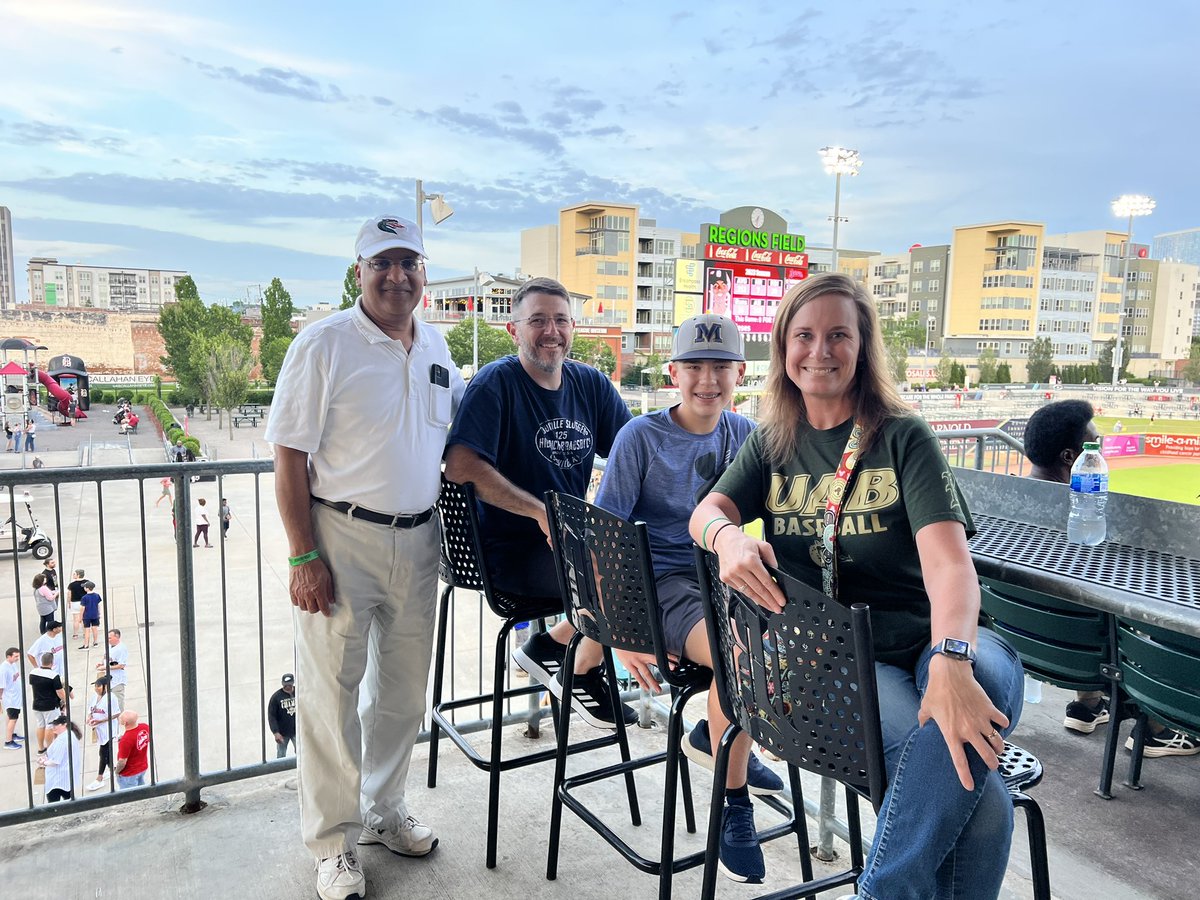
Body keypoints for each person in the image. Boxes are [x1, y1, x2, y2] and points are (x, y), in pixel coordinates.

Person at [689, 273, 1025, 900]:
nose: (820, 350)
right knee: (983, 808)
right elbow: (706, 512)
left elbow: (950, 566)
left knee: (981, 688)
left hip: (949, 638)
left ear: (863, 346)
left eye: (838, 335)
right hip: (848, 663)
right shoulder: (772, 441)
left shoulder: (902, 436)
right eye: (804, 335)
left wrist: (951, 661)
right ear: (783, 348)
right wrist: (727, 539)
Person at [266, 214, 464, 900]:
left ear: (424, 272)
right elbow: (288, 456)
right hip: (341, 537)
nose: (396, 275)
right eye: (382, 262)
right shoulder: (322, 345)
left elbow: (459, 434)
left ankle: (384, 811)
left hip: (420, 539)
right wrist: (303, 556)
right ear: (359, 272)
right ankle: (333, 845)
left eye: (409, 262)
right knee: (330, 698)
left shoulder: (436, 345)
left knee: (403, 694)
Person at [594, 314, 782, 883]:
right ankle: (733, 801)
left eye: (720, 367)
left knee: (791, 637)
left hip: (719, 576)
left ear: (740, 374)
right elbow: (602, 538)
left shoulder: (745, 434)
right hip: (660, 583)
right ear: (673, 373)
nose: (708, 380)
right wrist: (620, 629)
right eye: (694, 367)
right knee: (739, 653)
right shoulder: (640, 437)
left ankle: (721, 739)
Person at [444, 275, 635, 729]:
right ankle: (574, 664)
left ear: (573, 328)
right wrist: (539, 512)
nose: (552, 331)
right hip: (508, 553)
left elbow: (633, 451)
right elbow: (460, 465)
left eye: (561, 320)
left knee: (654, 558)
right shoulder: (496, 383)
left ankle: (556, 644)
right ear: (514, 330)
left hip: (568, 547)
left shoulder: (589, 384)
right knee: (629, 577)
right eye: (538, 321)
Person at [1024, 401, 1198, 758]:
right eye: (1095, 446)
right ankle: (1156, 729)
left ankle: (1087, 705)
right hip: (1099, 666)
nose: (1101, 454)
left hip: (1034, 653)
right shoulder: (1095, 530)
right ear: (1071, 457)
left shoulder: (1000, 516)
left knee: (1081, 611)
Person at [37, 715, 83, 803]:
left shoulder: (62, 740)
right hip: (67, 777)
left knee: (53, 805)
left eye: (56, 725)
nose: (53, 727)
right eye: (53, 724)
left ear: (64, 725)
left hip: (58, 779)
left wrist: (43, 762)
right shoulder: (70, 734)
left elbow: (55, 762)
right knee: (69, 801)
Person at [86, 675, 119, 791]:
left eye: (98, 686)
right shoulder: (94, 697)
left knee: (103, 752)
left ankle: (99, 778)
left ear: (105, 686)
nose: (96, 688)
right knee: (107, 751)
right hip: (98, 729)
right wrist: (89, 717)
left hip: (108, 729)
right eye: (95, 686)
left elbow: (116, 714)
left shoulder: (112, 698)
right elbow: (90, 709)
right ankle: (112, 769)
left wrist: (100, 721)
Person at [29, 651, 64, 753]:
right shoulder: (54, 676)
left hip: (37, 704)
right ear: (52, 662)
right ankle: (50, 748)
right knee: (50, 726)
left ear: (41, 661)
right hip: (50, 706)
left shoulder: (33, 673)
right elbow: (60, 692)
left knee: (40, 725)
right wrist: (65, 700)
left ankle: (41, 748)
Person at [114, 708, 150, 789]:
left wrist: (117, 771)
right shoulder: (145, 727)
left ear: (125, 723)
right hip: (142, 767)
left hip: (129, 773)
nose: (119, 719)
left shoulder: (126, 740)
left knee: (129, 794)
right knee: (141, 790)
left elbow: (122, 762)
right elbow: (141, 740)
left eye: (120, 718)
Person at [268, 673, 297, 758]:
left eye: (289, 684)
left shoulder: (299, 692)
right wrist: (276, 732)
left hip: (297, 730)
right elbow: (272, 716)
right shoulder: (276, 697)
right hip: (282, 733)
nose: (287, 686)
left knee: (301, 753)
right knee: (281, 755)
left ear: (293, 683)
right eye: (285, 685)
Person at [99, 629, 129, 708]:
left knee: (117, 703)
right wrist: (101, 663)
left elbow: (121, 665)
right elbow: (106, 657)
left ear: (117, 637)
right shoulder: (109, 646)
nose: (108, 640)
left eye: (110, 638)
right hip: (108, 679)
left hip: (117, 681)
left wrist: (106, 667)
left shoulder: (121, 649)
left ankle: (120, 716)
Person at [2, 647, 24, 749]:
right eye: (15, 656)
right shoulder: (4, 669)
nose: (17, 658)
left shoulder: (13, 664)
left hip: (15, 697)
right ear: (8, 656)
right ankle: (8, 741)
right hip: (10, 698)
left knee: (10, 717)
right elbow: (1, 686)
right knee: (13, 719)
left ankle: (12, 735)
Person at [79, 582, 103, 649]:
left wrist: (80, 617)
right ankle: (95, 642)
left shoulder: (84, 597)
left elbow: (82, 608)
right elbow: (99, 605)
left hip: (87, 616)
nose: (84, 588)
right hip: (95, 615)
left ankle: (86, 645)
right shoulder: (97, 595)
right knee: (95, 629)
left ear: (87, 588)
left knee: (87, 630)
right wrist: (99, 613)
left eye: (85, 587)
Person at [67, 568, 87, 640]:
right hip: (84, 603)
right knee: (84, 619)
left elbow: (69, 595)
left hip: (75, 603)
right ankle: (85, 633)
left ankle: (75, 634)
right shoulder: (86, 583)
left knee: (76, 620)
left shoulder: (72, 585)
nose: (73, 575)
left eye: (74, 574)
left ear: (78, 575)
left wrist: (69, 602)